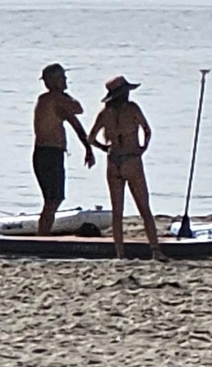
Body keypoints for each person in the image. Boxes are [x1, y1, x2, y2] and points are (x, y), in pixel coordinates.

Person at [88, 75, 166, 261]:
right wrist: (143, 148)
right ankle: (155, 250)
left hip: (113, 160)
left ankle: (120, 253)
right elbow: (147, 130)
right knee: (144, 208)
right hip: (131, 159)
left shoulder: (104, 113)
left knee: (117, 212)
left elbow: (90, 138)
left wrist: (104, 148)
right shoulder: (132, 109)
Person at [32, 63, 96, 236]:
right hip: (49, 153)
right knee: (53, 199)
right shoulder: (55, 99)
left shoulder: (46, 99)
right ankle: (43, 235)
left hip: (45, 153)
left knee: (53, 199)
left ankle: (43, 233)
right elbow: (78, 115)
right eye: (62, 78)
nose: (66, 81)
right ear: (53, 81)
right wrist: (88, 149)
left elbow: (76, 113)